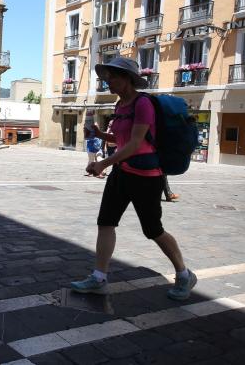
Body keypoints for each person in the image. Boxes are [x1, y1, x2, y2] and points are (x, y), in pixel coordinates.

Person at [71, 57, 196, 301]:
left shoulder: (143, 104)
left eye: (113, 77)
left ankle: (184, 274)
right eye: (107, 78)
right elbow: (121, 141)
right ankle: (99, 277)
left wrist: (103, 163)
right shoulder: (120, 106)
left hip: (146, 177)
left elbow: (137, 143)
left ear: (128, 78)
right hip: (122, 173)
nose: (108, 82)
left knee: (153, 230)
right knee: (106, 222)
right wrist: (100, 134)